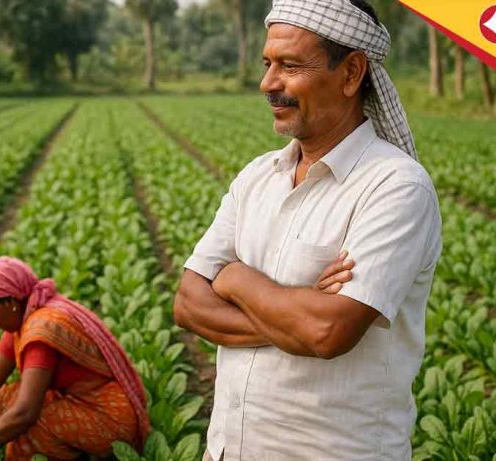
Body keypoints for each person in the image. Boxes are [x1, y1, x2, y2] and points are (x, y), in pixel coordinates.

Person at [173, 0, 442, 459]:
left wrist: (236, 279)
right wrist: (295, 311)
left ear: (352, 73)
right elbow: (188, 305)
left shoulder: (396, 187)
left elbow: (325, 333)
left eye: (290, 65)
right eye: (267, 63)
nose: (268, 83)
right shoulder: (257, 177)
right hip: (230, 449)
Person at [0, 257, 150, 461]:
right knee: (9, 398)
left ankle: (65, 452)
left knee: (24, 416)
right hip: (87, 402)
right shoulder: (28, 313)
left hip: (111, 422)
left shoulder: (40, 332)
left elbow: (25, 413)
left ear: (10, 302)